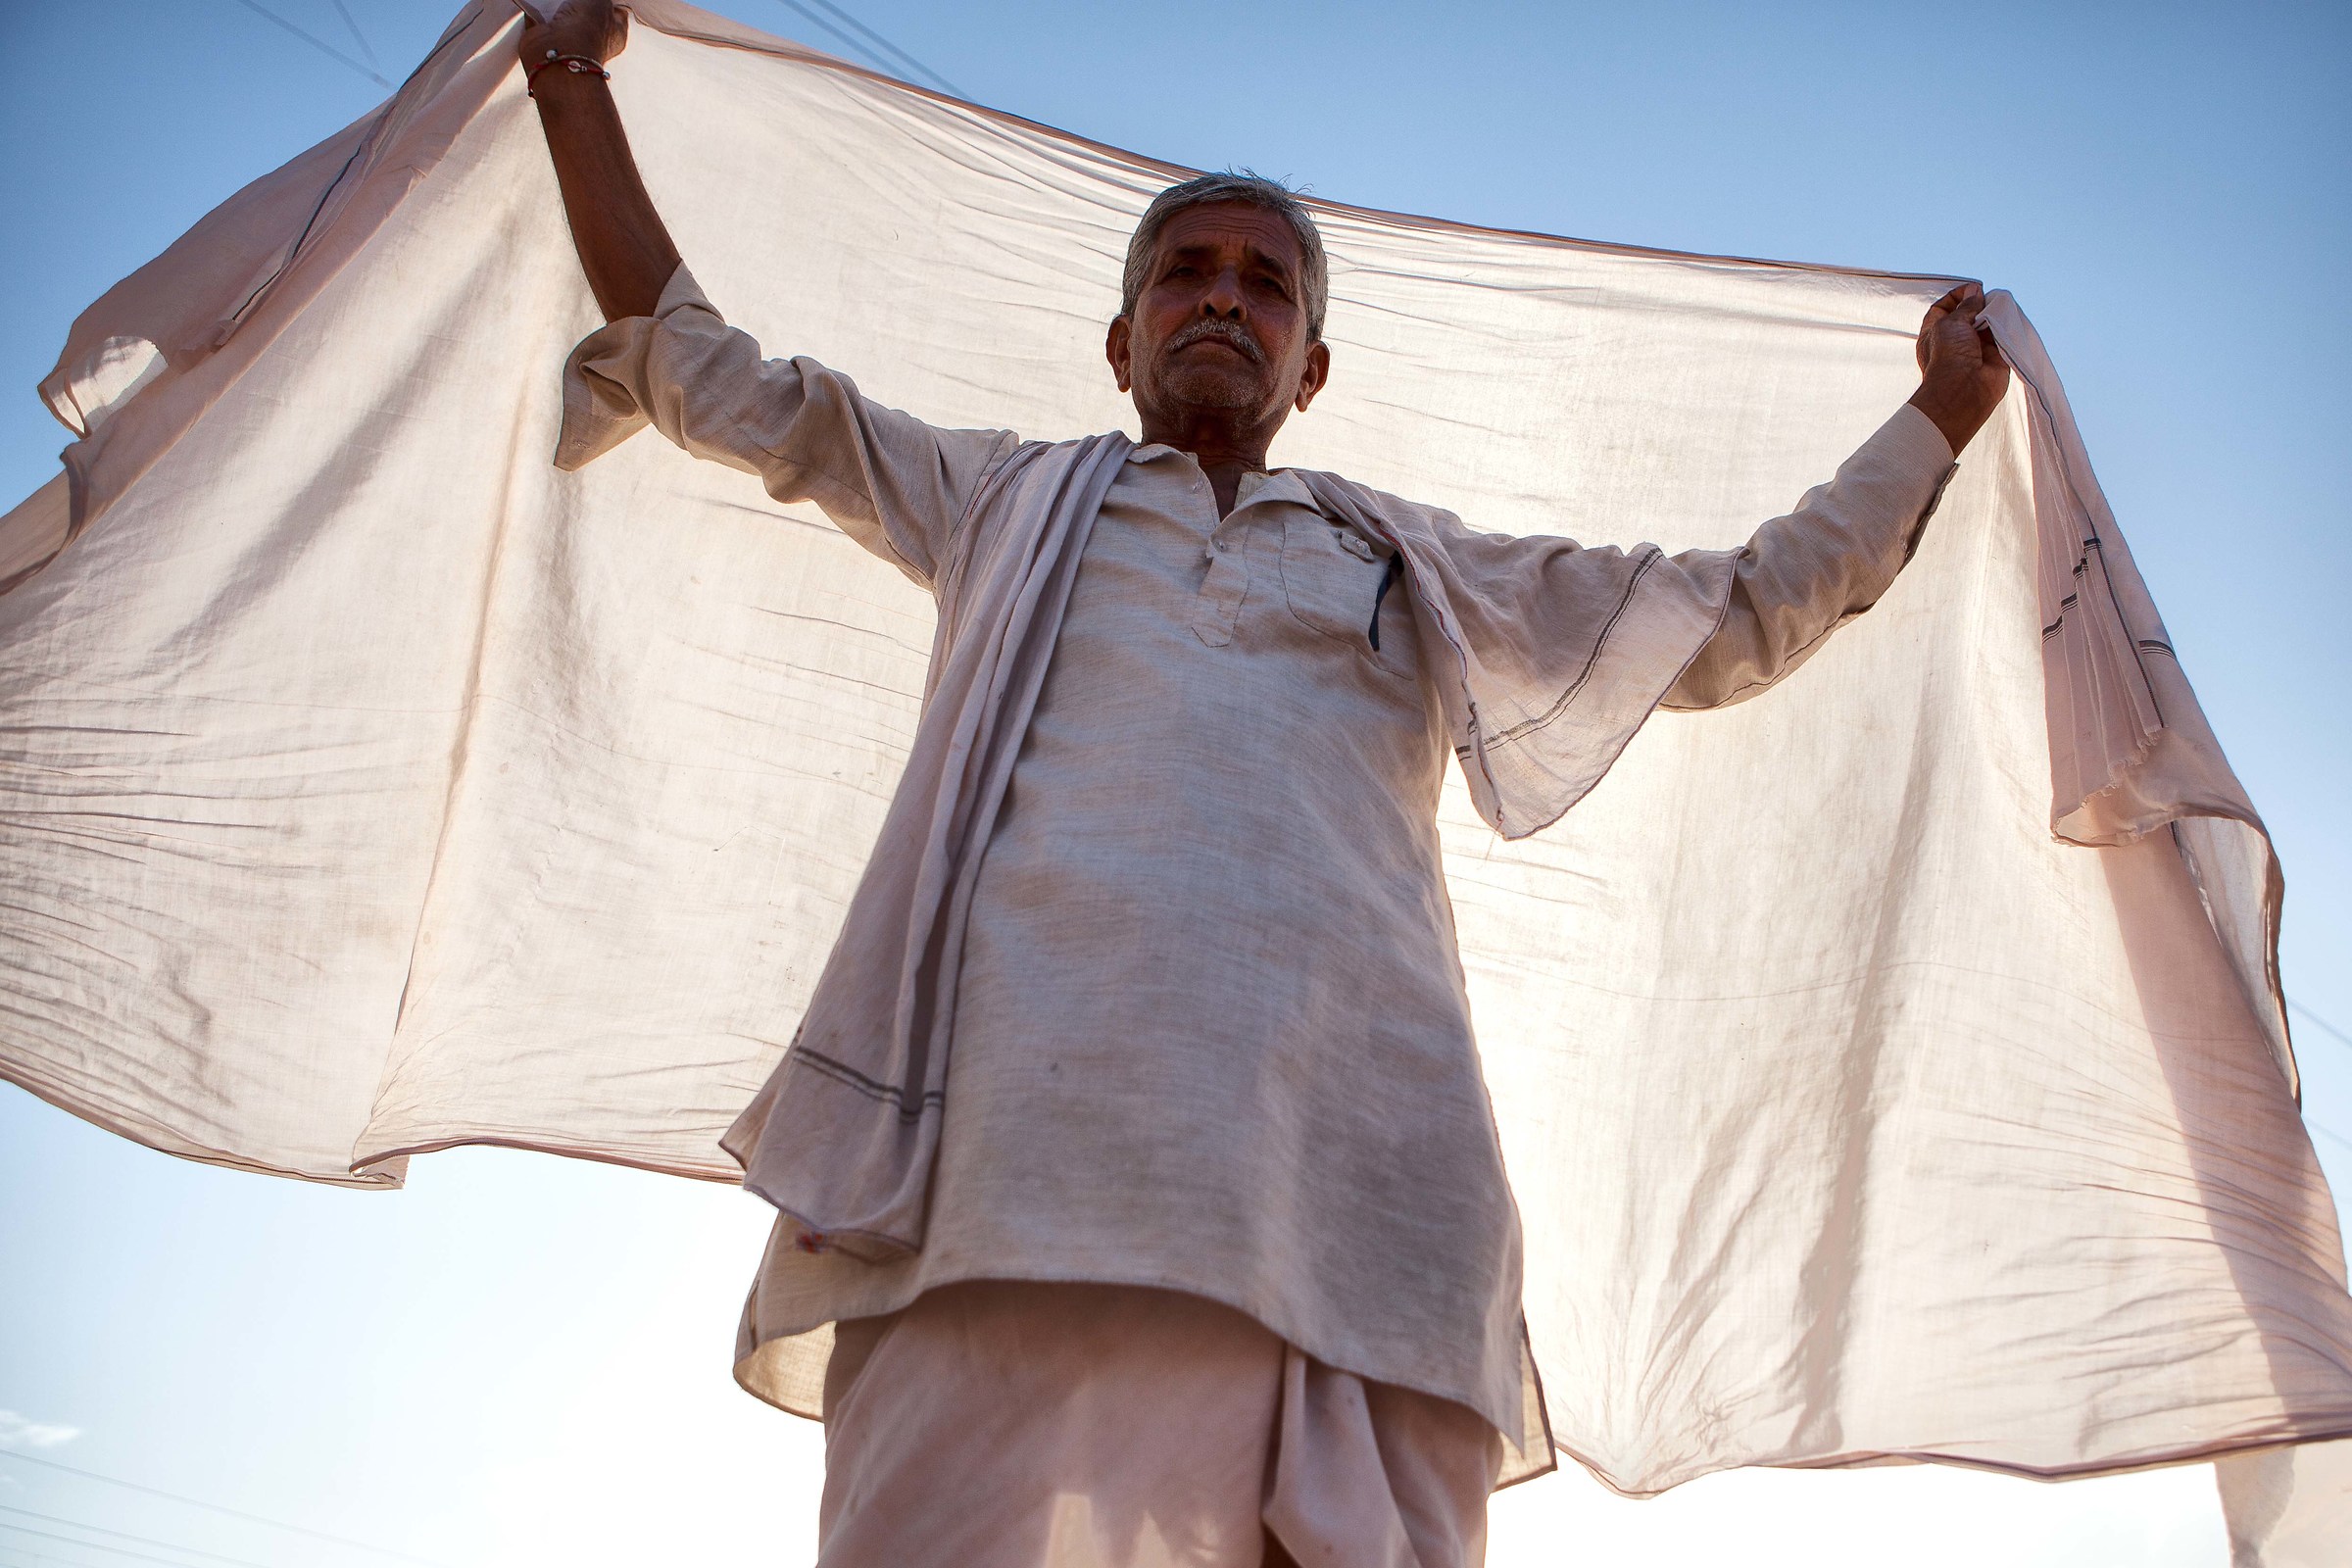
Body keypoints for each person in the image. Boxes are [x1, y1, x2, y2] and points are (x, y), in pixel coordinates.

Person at [522, 4, 2010, 1564]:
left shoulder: (1415, 567)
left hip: (1358, 1203)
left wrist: (1939, 419)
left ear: (1312, 366)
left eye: (1265, 284)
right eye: (1186, 272)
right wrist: (566, 83)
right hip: (997, 1185)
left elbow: (1743, 609)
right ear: (1122, 342)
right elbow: (704, 369)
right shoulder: (998, 499)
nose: (1224, 298)